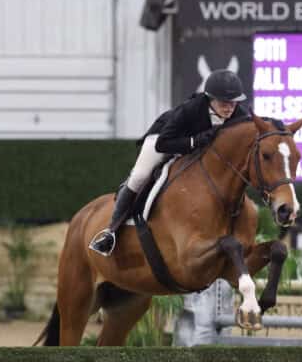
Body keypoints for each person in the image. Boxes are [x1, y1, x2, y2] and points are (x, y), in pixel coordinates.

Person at [89, 69, 252, 256]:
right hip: (165, 138)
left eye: (233, 102)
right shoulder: (191, 109)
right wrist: (194, 141)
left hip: (197, 147)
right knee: (140, 176)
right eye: (224, 102)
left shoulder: (238, 115)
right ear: (210, 99)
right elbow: (162, 144)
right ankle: (111, 232)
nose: (229, 108)